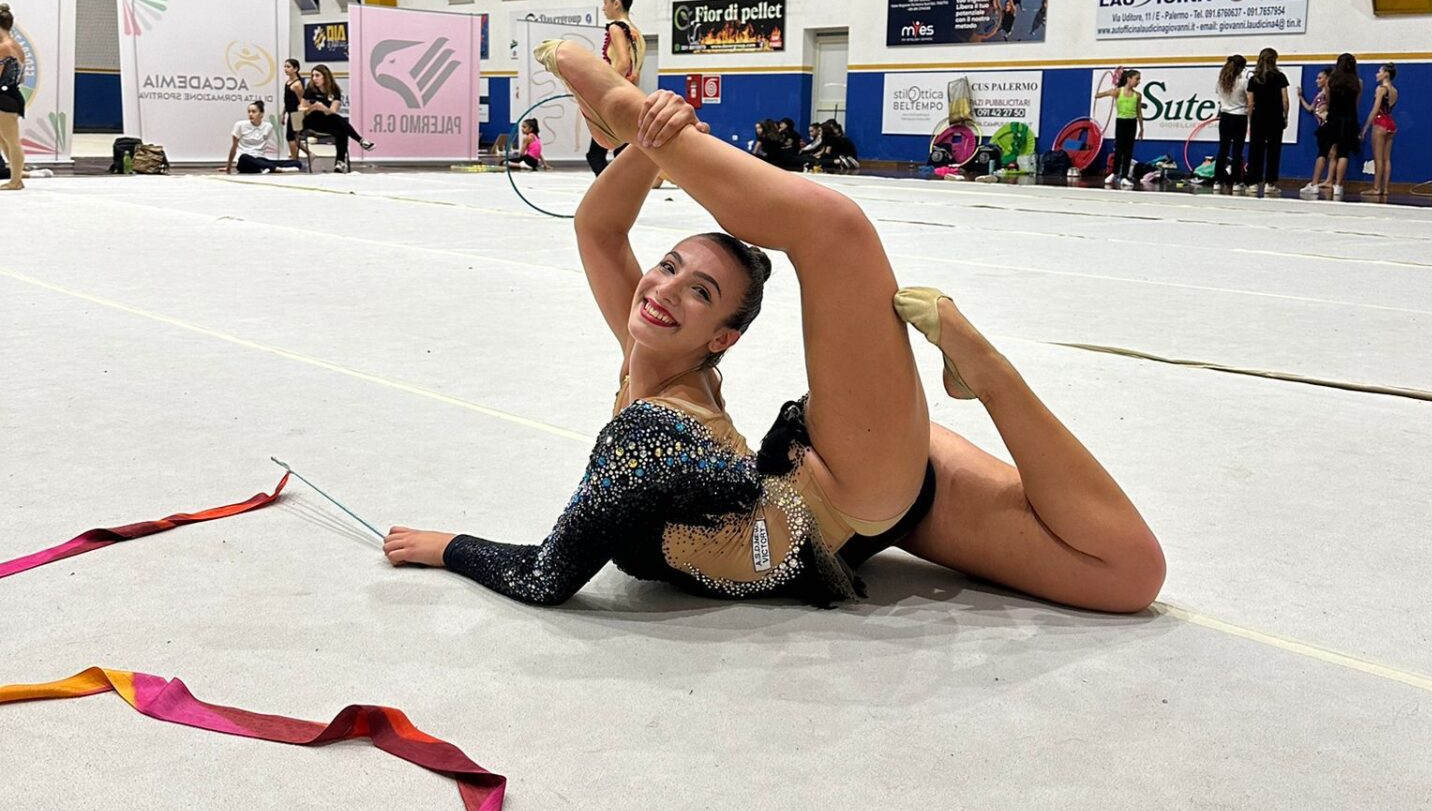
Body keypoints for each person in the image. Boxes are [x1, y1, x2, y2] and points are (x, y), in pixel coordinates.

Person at [383, 40, 1165, 619]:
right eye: (666, 268)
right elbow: (598, 230)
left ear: (720, 338)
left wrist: (444, 546)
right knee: (1129, 576)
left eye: (698, 292)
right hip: (857, 503)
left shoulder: (649, 423)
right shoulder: (655, 365)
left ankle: (979, 368)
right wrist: (648, 153)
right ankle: (980, 377)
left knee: (832, 227)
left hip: (856, 482)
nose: (660, 292)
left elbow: (545, 576)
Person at [588, 0, 646, 176]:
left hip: (615, 95)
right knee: (622, 150)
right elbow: (634, 70)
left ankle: (609, 191)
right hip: (632, 94)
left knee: (596, 154)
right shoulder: (637, 32)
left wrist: (602, 90)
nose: (603, 8)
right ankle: (620, 189)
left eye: (605, 3)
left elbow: (622, 62)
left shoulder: (616, 28)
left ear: (617, 3)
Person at [296, 65, 372, 171]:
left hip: (327, 120)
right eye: (312, 76)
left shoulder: (334, 90)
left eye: (317, 76)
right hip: (311, 120)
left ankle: (339, 163)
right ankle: (360, 140)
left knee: (341, 131)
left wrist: (323, 108)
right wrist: (312, 107)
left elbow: (332, 111)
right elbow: (301, 108)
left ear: (325, 77)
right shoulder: (310, 90)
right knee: (338, 121)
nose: (314, 78)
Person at [1317, 52, 1362, 199]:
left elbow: (1329, 101)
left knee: (1324, 150)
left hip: (1334, 117)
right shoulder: (1357, 82)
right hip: (1349, 118)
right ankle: (1338, 185)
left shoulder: (1331, 81)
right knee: (1344, 152)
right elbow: (1356, 103)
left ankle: (1314, 182)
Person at [1244, 48, 1289, 196]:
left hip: (1259, 117)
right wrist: (1285, 115)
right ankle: (1270, 183)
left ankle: (1253, 183)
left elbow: (1250, 102)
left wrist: (1250, 119)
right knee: (1274, 150)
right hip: (1275, 117)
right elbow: (1285, 99)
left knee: (1255, 150)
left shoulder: (1254, 79)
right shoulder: (1280, 76)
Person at [1097, 69, 1143, 187]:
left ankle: (1124, 176)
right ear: (1129, 79)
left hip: (1131, 123)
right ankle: (1114, 173)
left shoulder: (1137, 95)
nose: (1138, 81)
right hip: (1121, 122)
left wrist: (1141, 128)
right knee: (1119, 149)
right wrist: (1108, 92)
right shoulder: (1118, 92)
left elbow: (1139, 113)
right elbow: (1097, 95)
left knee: (1128, 151)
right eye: (1137, 79)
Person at [1362, 64, 1398, 202]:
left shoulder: (1381, 89)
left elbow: (1375, 109)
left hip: (1380, 123)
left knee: (1378, 158)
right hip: (1390, 123)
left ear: (1386, 74)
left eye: (1379, 72)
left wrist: (1365, 127)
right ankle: (1385, 188)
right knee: (1386, 158)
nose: (1377, 74)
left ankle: (1376, 188)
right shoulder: (1394, 90)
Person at [1212, 55, 1249, 194]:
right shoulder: (1243, 82)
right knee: (1237, 150)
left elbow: (1220, 98)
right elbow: (1248, 98)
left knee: (1223, 148)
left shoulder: (1221, 82)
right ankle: (1236, 181)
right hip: (1240, 116)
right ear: (1240, 68)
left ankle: (1218, 180)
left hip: (1225, 116)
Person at [0, 2, 25, 190]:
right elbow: (21, 75)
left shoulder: (4, 47)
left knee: (11, 140)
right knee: (3, 139)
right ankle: (16, 173)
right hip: (12, 93)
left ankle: (16, 180)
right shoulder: (16, 46)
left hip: (4, 97)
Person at [221, 99, 280, 175]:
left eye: (253, 112)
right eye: (249, 112)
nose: (250, 114)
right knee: (244, 158)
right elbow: (234, 147)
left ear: (261, 114)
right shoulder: (240, 125)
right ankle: (273, 168)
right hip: (244, 161)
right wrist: (228, 167)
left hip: (259, 158)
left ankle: (266, 167)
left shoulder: (268, 126)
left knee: (296, 163)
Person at [1298, 69, 1330, 196]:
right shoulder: (1319, 94)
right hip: (1321, 126)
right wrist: (1300, 96)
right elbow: (1311, 108)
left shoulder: (1328, 93)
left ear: (1327, 79)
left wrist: (1327, 110)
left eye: (1320, 78)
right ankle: (1327, 180)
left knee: (1330, 154)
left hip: (1327, 125)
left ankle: (1327, 180)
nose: (1317, 80)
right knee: (1327, 153)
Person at [282, 58, 305, 162]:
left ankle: (294, 159)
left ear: (295, 69)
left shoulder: (297, 85)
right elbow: (287, 101)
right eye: (285, 66)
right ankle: (310, 154)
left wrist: (300, 116)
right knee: (294, 138)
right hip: (290, 112)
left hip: (296, 113)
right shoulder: (288, 82)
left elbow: (302, 101)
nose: (285, 69)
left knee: (290, 137)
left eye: (288, 67)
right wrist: (283, 113)